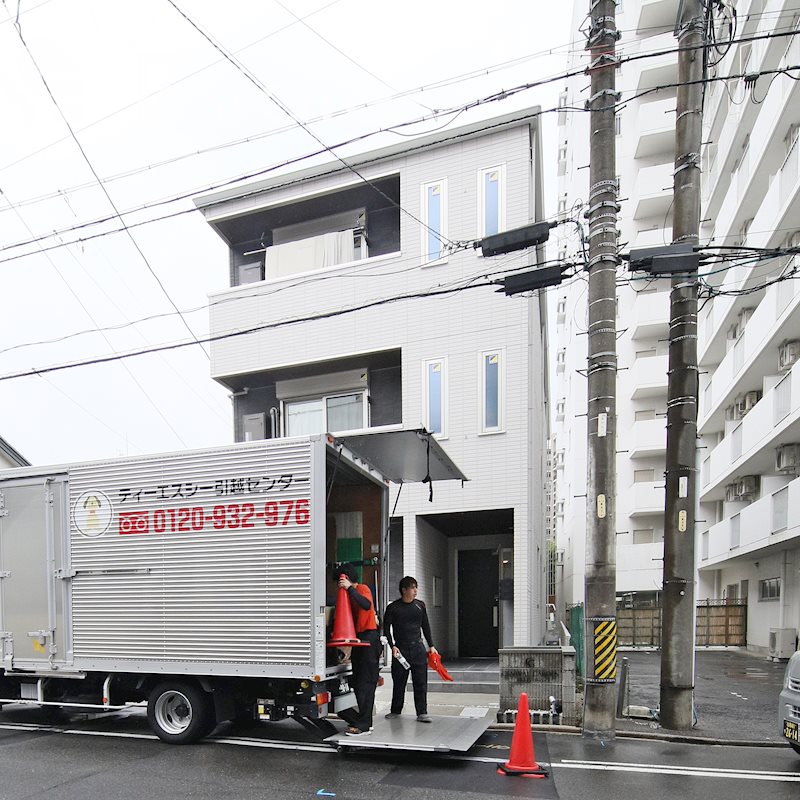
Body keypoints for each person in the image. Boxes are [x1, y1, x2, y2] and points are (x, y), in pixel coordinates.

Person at [333, 563, 381, 736]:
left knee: (366, 684)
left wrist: (350, 589)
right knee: (359, 682)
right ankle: (363, 721)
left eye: (340, 580)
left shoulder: (362, 589)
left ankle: (364, 725)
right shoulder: (347, 596)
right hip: (360, 642)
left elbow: (367, 605)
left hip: (369, 640)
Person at [383, 575, 438, 723]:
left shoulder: (420, 606)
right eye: (412, 588)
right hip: (401, 650)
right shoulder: (393, 608)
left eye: (416, 587)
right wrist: (392, 645)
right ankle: (395, 710)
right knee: (399, 681)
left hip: (418, 648)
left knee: (420, 681)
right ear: (404, 590)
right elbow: (386, 628)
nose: (415, 591)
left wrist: (431, 646)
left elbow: (425, 626)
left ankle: (422, 712)